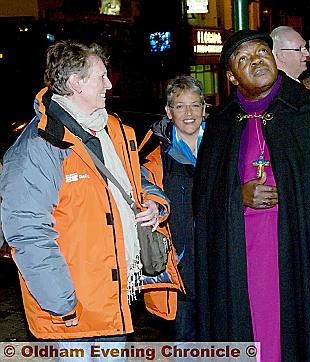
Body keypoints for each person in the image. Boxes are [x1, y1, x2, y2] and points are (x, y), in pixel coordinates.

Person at [193, 29, 310, 361]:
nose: (256, 61)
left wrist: (295, 192)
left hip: (302, 251)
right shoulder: (221, 125)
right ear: (230, 77)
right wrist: (237, 195)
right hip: (241, 253)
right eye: (243, 58)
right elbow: (204, 200)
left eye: (261, 52)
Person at [0, 40, 183, 341]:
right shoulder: (40, 144)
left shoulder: (114, 130)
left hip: (115, 297)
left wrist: (152, 202)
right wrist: (61, 302)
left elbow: (140, 179)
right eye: (101, 77)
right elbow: (26, 230)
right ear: (75, 83)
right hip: (75, 307)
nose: (109, 84)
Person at [138, 75, 206, 341]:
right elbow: (140, 184)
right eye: (180, 106)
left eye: (194, 105)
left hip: (219, 264)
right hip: (181, 269)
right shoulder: (155, 152)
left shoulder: (222, 145)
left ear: (204, 108)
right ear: (169, 111)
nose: (188, 113)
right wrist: (151, 201)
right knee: (184, 343)